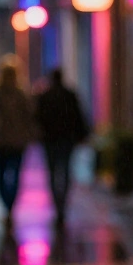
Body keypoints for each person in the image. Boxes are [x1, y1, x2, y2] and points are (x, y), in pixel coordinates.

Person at [35, 68, 90, 226]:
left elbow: (38, 118)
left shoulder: (45, 97)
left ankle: (58, 205)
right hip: (66, 140)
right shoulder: (69, 95)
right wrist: (81, 135)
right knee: (65, 170)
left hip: (51, 140)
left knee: (53, 172)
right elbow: (78, 116)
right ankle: (62, 205)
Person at [0, 63, 37, 225]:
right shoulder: (21, 94)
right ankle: (10, 205)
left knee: (1, 174)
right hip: (17, 142)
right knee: (15, 174)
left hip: (0, 141)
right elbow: (30, 117)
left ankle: (7, 205)